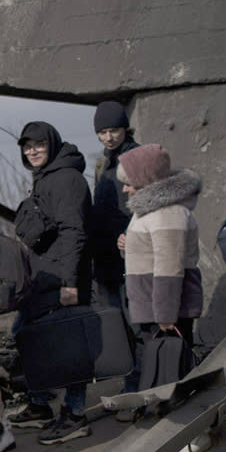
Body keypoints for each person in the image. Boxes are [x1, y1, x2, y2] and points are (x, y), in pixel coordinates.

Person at [11, 121, 95, 444]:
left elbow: (74, 232)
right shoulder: (46, 177)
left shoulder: (67, 180)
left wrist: (70, 283)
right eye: (27, 147)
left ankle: (75, 415)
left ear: (52, 145)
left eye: (38, 145)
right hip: (44, 277)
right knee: (27, 335)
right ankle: (40, 404)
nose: (32, 151)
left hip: (63, 277)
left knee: (70, 345)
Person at [117, 144, 203, 383]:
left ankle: (181, 415)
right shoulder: (147, 210)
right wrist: (128, 246)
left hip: (164, 310)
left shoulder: (167, 213)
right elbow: (149, 253)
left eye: (130, 181)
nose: (125, 188)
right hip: (152, 304)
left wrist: (166, 315)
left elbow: (169, 267)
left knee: (171, 372)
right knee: (160, 371)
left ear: (145, 179)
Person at [88, 101, 134, 303]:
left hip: (129, 243)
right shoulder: (103, 162)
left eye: (114, 131)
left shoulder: (137, 157)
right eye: (103, 132)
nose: (108, 138)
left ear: (125, 129)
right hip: (106, 247)